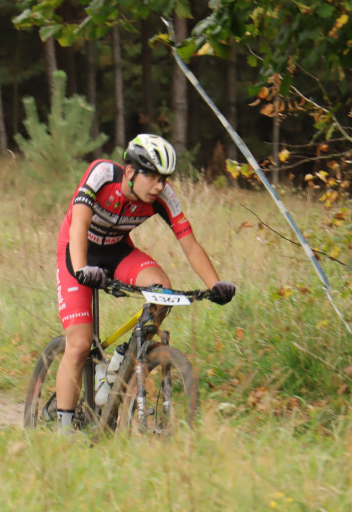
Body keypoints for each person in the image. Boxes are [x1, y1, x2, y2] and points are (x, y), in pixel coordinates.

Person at [54, 133, 236, 432]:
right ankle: (61, 436)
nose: (159, 186)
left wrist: (216, 284)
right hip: (77, 249)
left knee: (162, 289)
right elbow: (79, 224)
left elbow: (189, 244)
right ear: (130, 171)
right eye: (151, 176)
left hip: (117, 251)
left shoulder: (164, 197)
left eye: (164, 178)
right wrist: (83, 268)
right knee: (79, 344)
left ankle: (121, 361)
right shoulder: (102, 174)